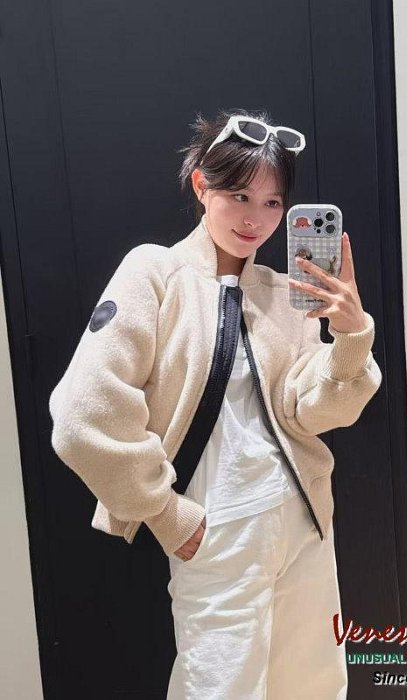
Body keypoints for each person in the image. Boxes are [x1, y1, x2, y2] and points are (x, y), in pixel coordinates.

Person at [48, 107, 382, 699]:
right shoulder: (155, 273)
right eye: (239, 195)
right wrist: (164, 514)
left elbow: (313, 412)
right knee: (219, 688)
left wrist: (351, 335)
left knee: (314, 685)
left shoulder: (282, 293)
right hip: (217, 529)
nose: (255, 219)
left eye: (272, 203)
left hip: (303, 519)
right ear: (202, 185)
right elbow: (84, 416)